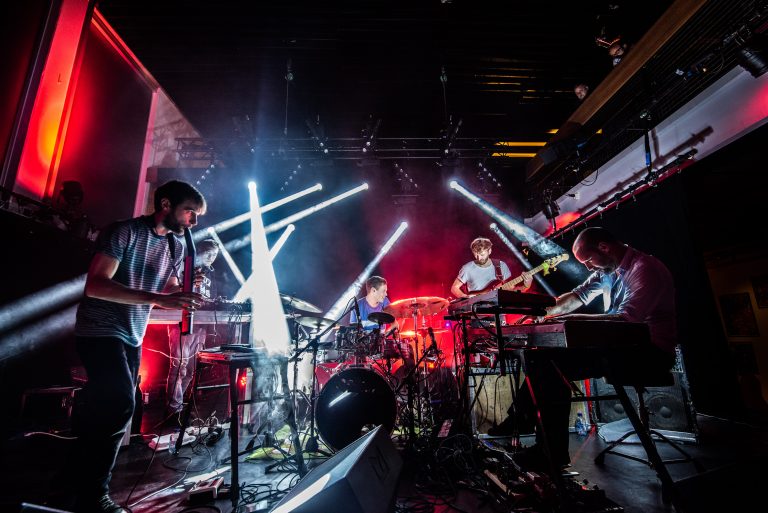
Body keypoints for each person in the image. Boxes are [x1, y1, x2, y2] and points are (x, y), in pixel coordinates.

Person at [70, 180, 206, 513]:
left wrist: (186, 288)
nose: (194, 221)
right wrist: (158, 297)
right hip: (100, 330)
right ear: (165, 204)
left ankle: (71, 482)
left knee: (110, 409)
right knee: (120, 404)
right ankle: (93, 496)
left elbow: (166, 291)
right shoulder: (124, 232)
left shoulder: (173, 246)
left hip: (131, 334)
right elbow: (96, 286)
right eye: (190, 211)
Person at [510, 227, 677, 473]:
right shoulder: (607, 272)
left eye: (588, 260)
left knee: (550, 362)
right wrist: (538, 316)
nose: (588, 267)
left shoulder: (645, 268)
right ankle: (534, 433)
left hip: (650, 353)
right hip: (623, 347)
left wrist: (567, 322)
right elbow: (575, 297)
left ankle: (535, 436)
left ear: (604, 247)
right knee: (540, 357)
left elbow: (627, 321)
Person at [164, 238, 220, 420]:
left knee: (190, 369)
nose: (212, 258)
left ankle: (178, 406)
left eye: (215, 255)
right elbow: (170, 290)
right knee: (178, 367)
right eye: (209, 253)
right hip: (181, 323)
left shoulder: (211, 273)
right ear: (200, 251)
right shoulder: (184, 267)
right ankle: (173, 409)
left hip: (200, 325)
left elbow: (211, 298)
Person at [450, 237, 532, 299]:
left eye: (482, 254)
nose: (479, 258)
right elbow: (454, 288)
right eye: (476, 254)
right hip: (477, 314)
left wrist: (525, 286)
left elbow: (511, 291)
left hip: (498, 313)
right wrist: (465, 297)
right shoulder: (467, 268)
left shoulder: (501, 266)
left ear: (489, 251)